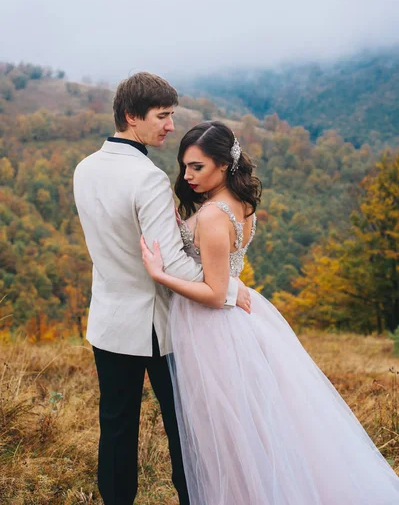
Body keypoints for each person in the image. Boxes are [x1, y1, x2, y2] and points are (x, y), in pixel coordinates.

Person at [141, 120, 399, 505]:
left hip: (212, 325)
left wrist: (160, 274)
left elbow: (214, 292)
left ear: (223, 165)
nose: (187, 175)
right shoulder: (239, 204)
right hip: (240, 320)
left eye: (197, 167)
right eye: (184, 166)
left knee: (229, 433)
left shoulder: (212, 215)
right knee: (258, 425)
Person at [73, 74, 251, 505]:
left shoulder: (85, 168)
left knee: (116, 428)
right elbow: (169, 261)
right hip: (157, 328)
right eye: (163, 116)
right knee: (184, 431)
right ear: (132, 116)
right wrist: (227, 290)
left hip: (109, 322)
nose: (170, 126)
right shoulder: (147, 178)